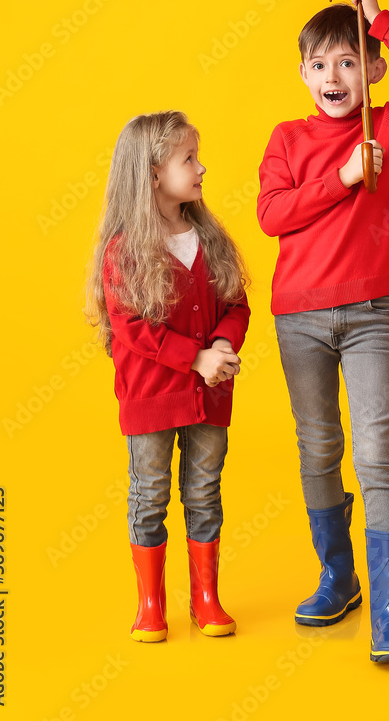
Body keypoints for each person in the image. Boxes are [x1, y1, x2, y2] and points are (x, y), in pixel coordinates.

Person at [257, 0, 389, 664]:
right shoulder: (287, 139)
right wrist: (342, 179)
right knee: (319, 448)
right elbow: (271, 216)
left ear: (373, 70)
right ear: (304, 75)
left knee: (376, 455)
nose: (334, 76)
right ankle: (338, 575)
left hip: (372, 313)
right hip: (299, 318)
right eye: (319, 64)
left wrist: (381, 18)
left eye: (350, 61)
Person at [87, 110, 250, 642]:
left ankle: (205, 598)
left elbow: (236, 303)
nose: (202, 167)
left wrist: (222, 344)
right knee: (150, 494)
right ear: (153, 172)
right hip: (152, 399)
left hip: (209, 400)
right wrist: (195, 359)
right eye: (189, 158)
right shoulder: (124, 250)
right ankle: (150, 604)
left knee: (204, 492)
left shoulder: (209, 236)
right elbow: (130, 328)